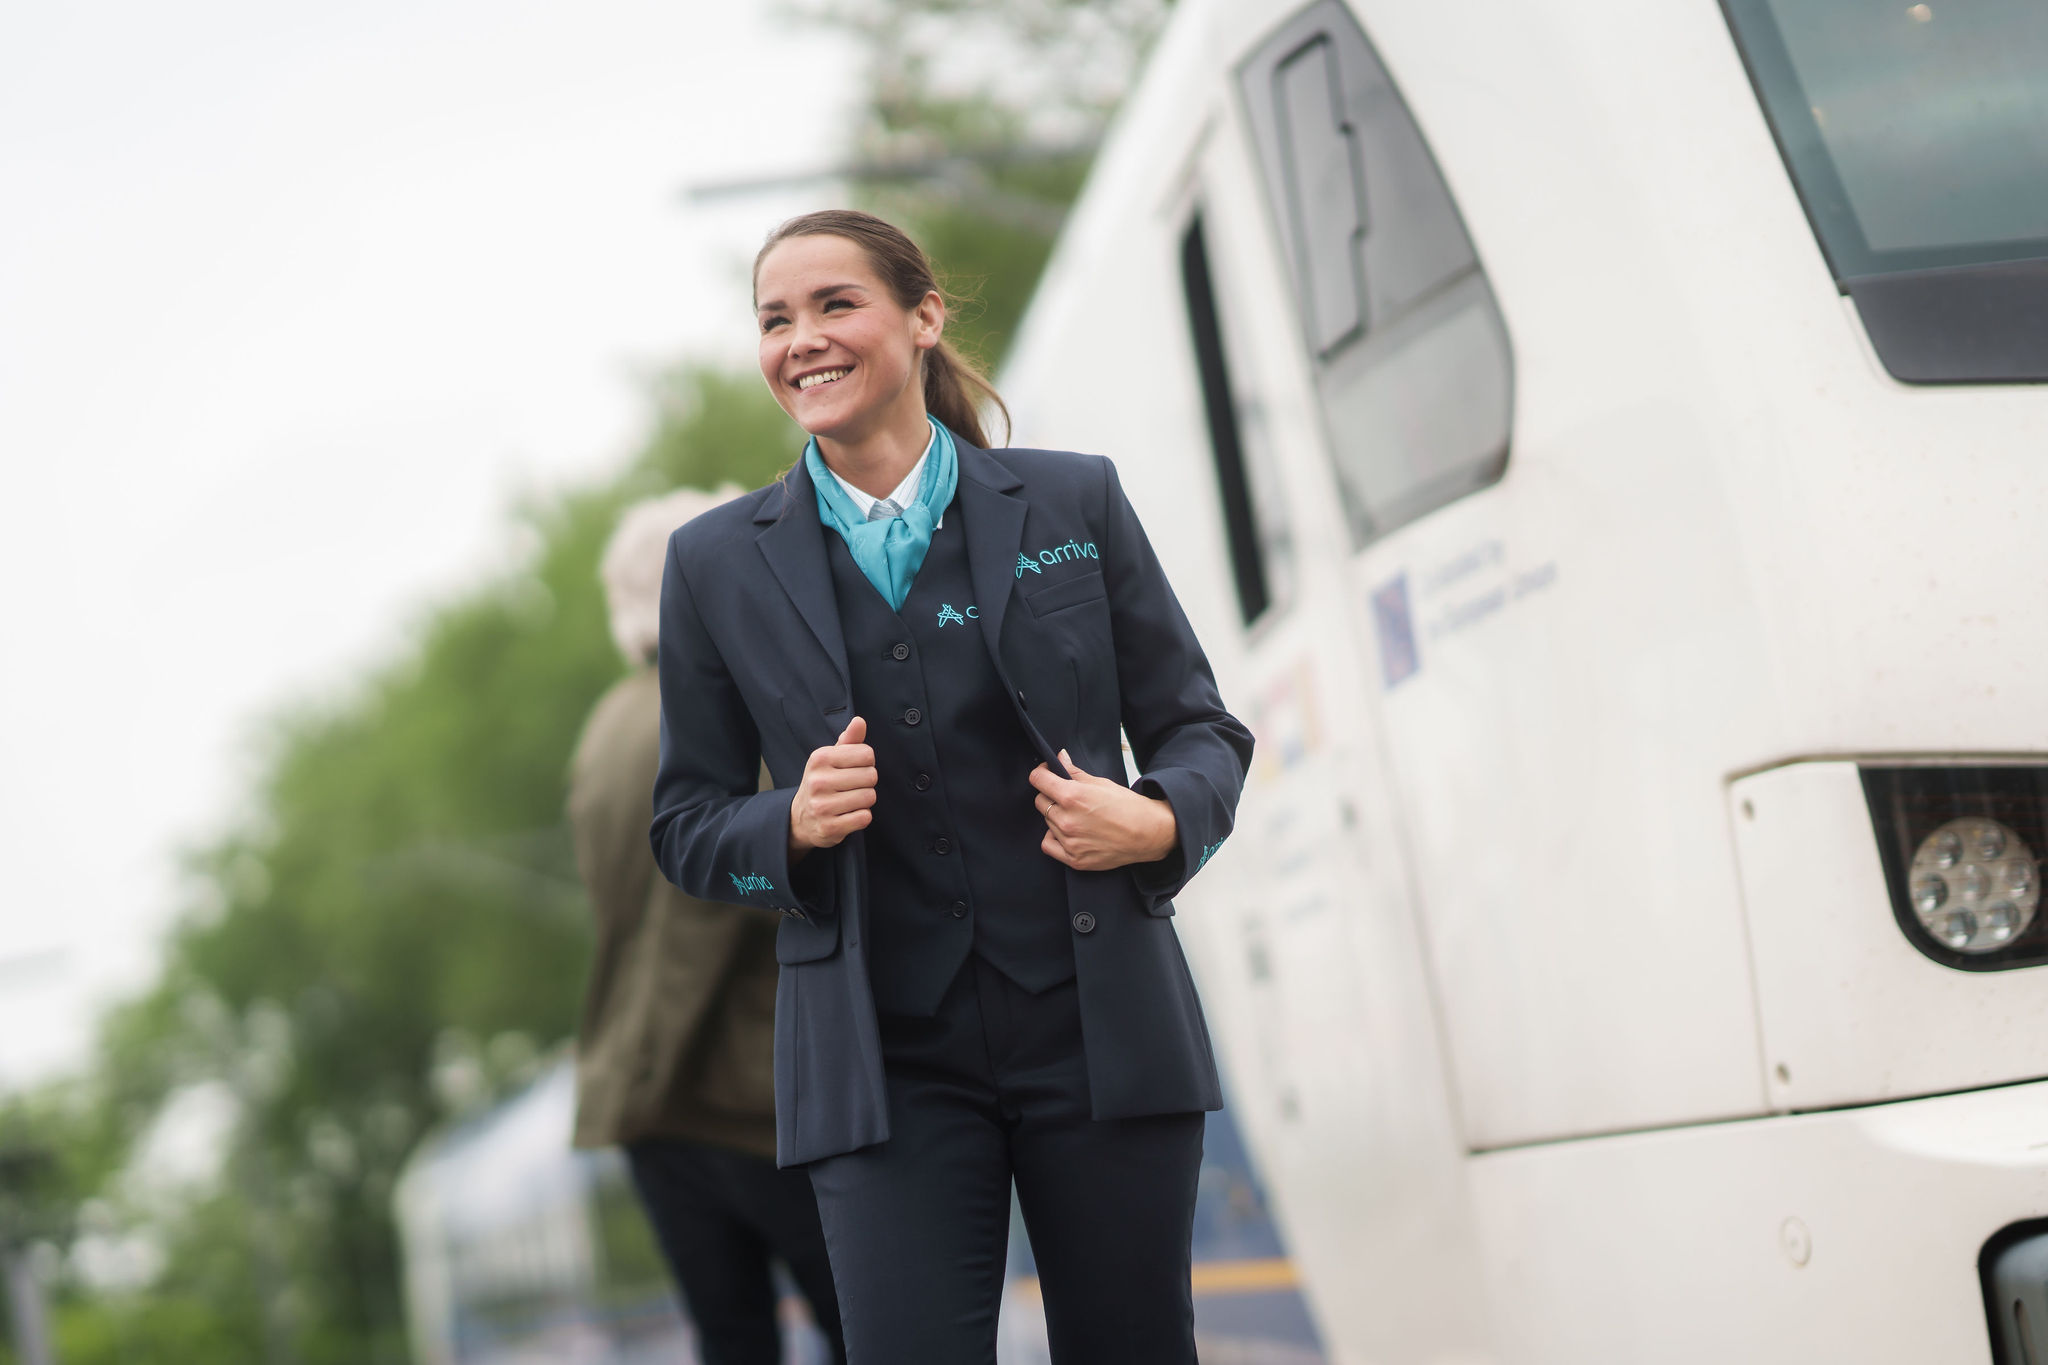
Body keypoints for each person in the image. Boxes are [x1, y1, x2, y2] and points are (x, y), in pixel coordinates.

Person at [649, 209, 1253, 1363]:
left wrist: (1161, 816)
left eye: (834, 305)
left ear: (923, 318)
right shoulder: (715, 562)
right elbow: (683, 826)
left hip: (1099, 1029)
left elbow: (1200, 728)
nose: (801, 340)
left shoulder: (1072, 502)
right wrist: (787, 825)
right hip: (882, 1063)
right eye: (775, 319)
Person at [570, 488, 845, 1365]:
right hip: (759, 1096)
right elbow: (739, 885)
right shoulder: (725, 706)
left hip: (651, 1104)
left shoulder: (602, 732)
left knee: (732, 1344)